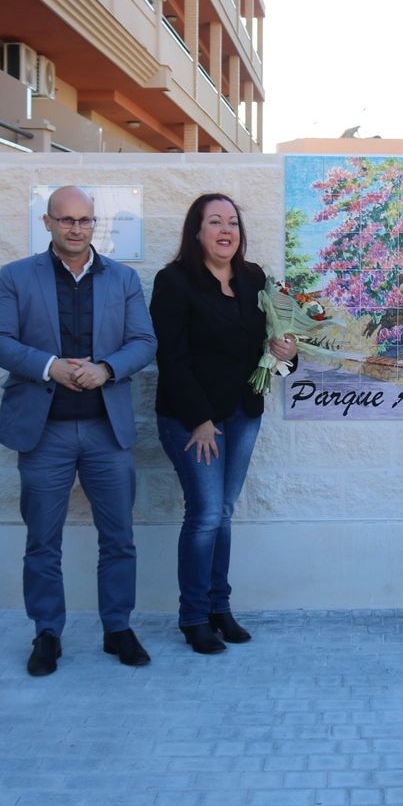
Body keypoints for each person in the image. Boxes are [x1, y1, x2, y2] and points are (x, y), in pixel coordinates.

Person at [0, 185, 157, 676]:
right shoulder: (17, 276)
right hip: (45, 433)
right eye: (65, 220)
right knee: (43, 541)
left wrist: (107, 368)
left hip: (106, 431)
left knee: (119, 538)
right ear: (48, 223)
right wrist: (49, 366)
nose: (76, 229)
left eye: (84, 220)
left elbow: (144, 341)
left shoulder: (123, 278)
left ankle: (117, 628)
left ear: (94, 223)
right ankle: (47, 633)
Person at [150, 194, 295, 654]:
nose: (225, 230)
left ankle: (219, 608)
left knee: (224, 512)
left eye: (232, 221)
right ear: (197, 231)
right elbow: (171, 358)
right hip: (192, 420)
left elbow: (274, 339)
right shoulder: (174, 281)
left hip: (243, 414)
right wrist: (199, 420)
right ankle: (193, 617)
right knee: (206, 513)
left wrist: (288, 352)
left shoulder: (254, 279)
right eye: (215, 222)